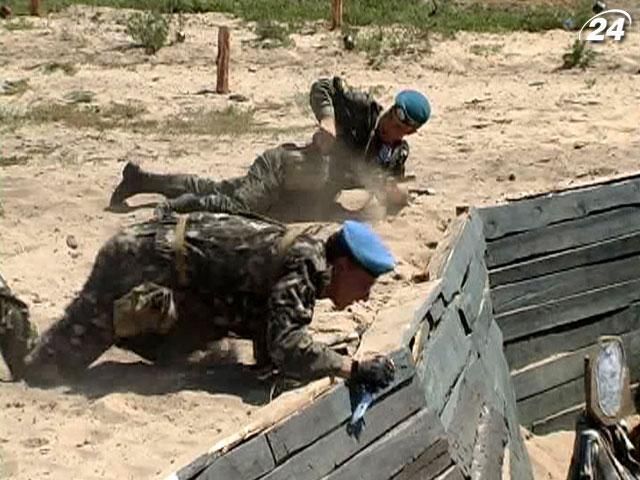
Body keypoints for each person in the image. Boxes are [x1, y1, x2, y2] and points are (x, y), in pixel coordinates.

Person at [0, 212, 397, 392]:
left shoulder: (311, 257)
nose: (365, 295)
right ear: (343, 265)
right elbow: (286, 343)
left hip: (169, 282)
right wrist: (352, 367)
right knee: (42, 371)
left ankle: (120, 331)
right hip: (138, 266)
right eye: (364, 283)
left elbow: (270, 331)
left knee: (200, 361)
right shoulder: (307, 266)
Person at [108, 76, 431, 218]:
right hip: (283, 168)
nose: (390, 125)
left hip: (305, 195)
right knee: (239, 207)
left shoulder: (394, 156)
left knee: (218, 189)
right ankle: (172, 210)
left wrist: (396, 197)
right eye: (391, 116)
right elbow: (322, 87)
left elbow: (389, 194)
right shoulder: (362, 108)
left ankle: (142, 181)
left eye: (400, 126)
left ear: (410, 132)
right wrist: (327, 122)